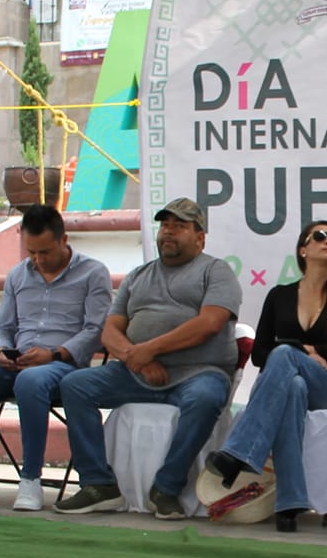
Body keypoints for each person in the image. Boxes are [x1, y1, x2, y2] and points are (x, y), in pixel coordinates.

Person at [54, 199, 243, 518]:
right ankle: (98, 484)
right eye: (165, 225)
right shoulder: (138, 275)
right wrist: (135, 358)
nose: (169, 232)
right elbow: (110, 330)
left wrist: (148, 350)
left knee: (208, 396)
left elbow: (208, 324)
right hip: (136, 373)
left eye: (179, 226)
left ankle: (166, 488)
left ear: (200, 238)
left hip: (198, 373)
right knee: (74, 385)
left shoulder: (216, 271)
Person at [0, 205, 111, 513]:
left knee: (30, 381)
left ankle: (31, 480)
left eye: (45, 252)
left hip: (62, 367)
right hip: (19, 363)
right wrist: (1, 351)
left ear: (64, 239)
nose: (38, 260)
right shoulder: (18, 274)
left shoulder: (93, 272)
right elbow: (4, 328)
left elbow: (95, 331)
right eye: (32, 252)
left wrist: (53, 354)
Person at [203, 220, 327, 532]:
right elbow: (259, 354)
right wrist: (303, 351)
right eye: (320, 236)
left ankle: (239, 453)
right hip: (294, 382)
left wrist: (298, 352)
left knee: (285, 356)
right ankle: (290, 502)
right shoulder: (279, 296)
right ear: (303, 249)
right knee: (292, 385)